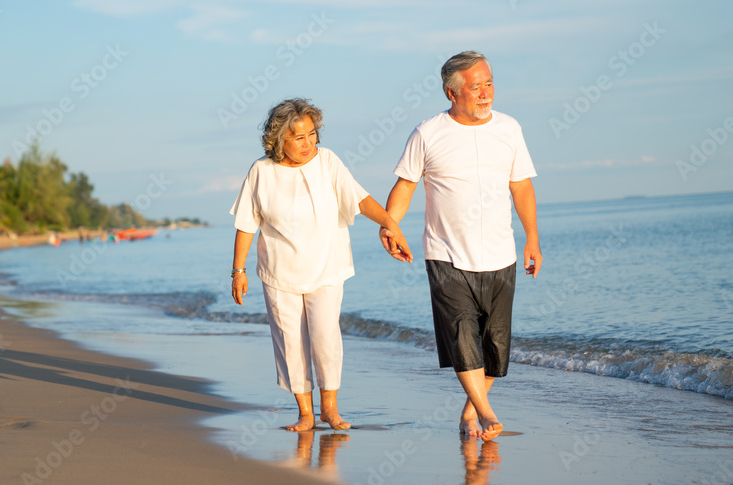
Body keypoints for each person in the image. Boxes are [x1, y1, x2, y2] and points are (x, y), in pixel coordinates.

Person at [380, 51, 541, 441]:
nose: (486, 93)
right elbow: (406, 184)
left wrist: (532, 237)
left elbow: (520, 185)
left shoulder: (509, 128)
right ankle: (486, 413)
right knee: (461, 334)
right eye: (476, 86)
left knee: (494, 345)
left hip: (500, 254)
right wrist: (390, 225)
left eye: (489, 83)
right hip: (446, 254)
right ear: (452, 93)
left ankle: (470, 412)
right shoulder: (428, 133)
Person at [231, 98, 413, 432]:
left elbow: (359, 198)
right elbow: (246, 222)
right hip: (279, 270)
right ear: (279, 138)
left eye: (312, 134)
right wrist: (238, 270)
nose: (308, 143)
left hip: (327, 266)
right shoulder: (261, 171)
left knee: (325, 335)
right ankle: (305, 414)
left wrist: (390, 224)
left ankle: (330, 408)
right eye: (298, 137)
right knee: (289, 340)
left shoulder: (327, 161)